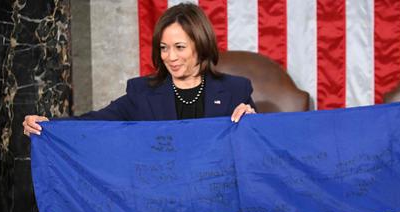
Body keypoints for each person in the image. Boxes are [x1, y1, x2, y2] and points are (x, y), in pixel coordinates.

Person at [22, 3, 255, 136]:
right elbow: (96, 121)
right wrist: (49, 125)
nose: (170, 57)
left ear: (202, 45)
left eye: (180, 47)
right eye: (163, 48)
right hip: (161, 197)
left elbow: (262, 146)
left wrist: (254, 122)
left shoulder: (236, 90)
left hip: (219, 197)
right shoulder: (141, 92)